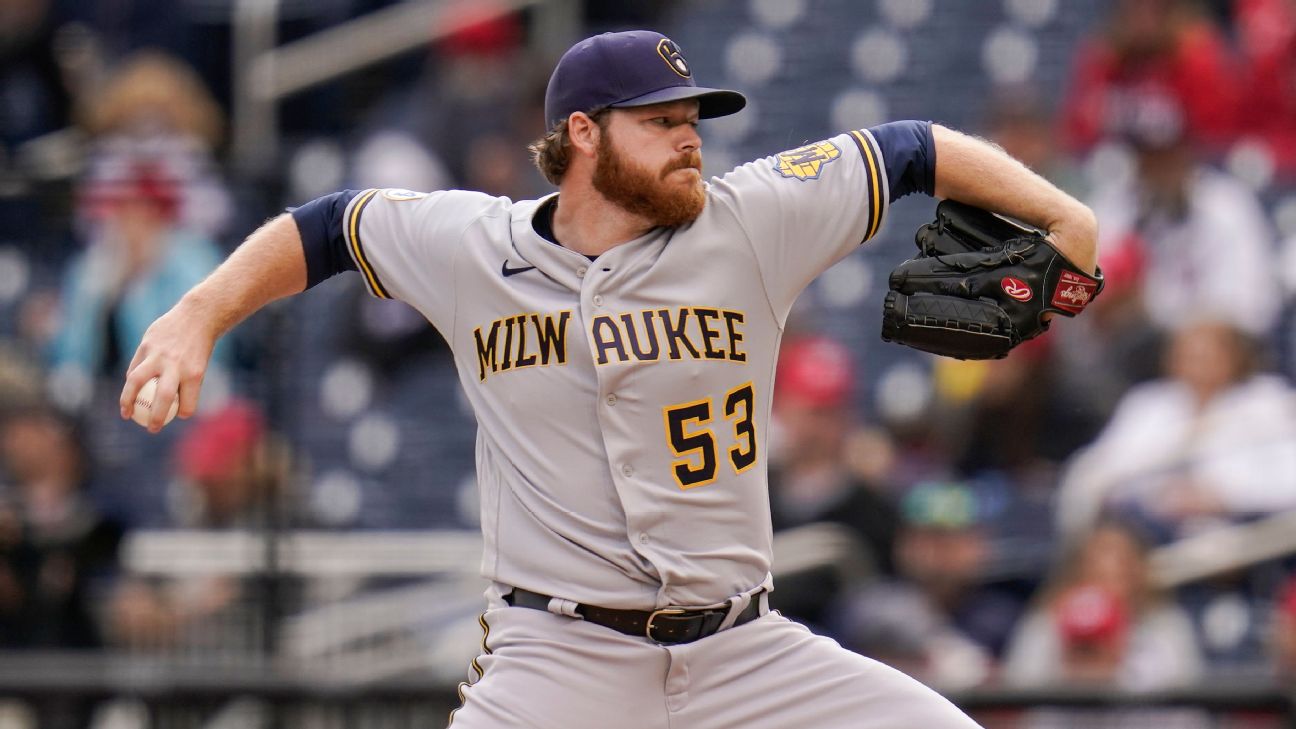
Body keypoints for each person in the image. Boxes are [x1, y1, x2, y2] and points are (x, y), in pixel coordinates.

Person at [120, 30, 1096, 729]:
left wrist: (1063, 215)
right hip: (559, 662)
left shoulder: (751, 218)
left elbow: (912, 148)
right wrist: (197, 313)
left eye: (694, 119)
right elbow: (330, 226)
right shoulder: (473, 245)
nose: (690, 139)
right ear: (583, 134)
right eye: (662, 121)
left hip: (746, 654)